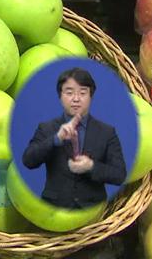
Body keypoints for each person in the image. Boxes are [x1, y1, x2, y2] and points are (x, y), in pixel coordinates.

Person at [21, 67, 126, 209]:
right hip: (53, 212)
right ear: (60, 96)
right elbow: (28, 160)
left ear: (91, 96)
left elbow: (119, 175)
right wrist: (56, 139)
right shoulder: (47, 128)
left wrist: (91, 166)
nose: (76, 99)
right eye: (69, 93)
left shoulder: (106, 132)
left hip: (93, 212)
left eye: (83, 93)